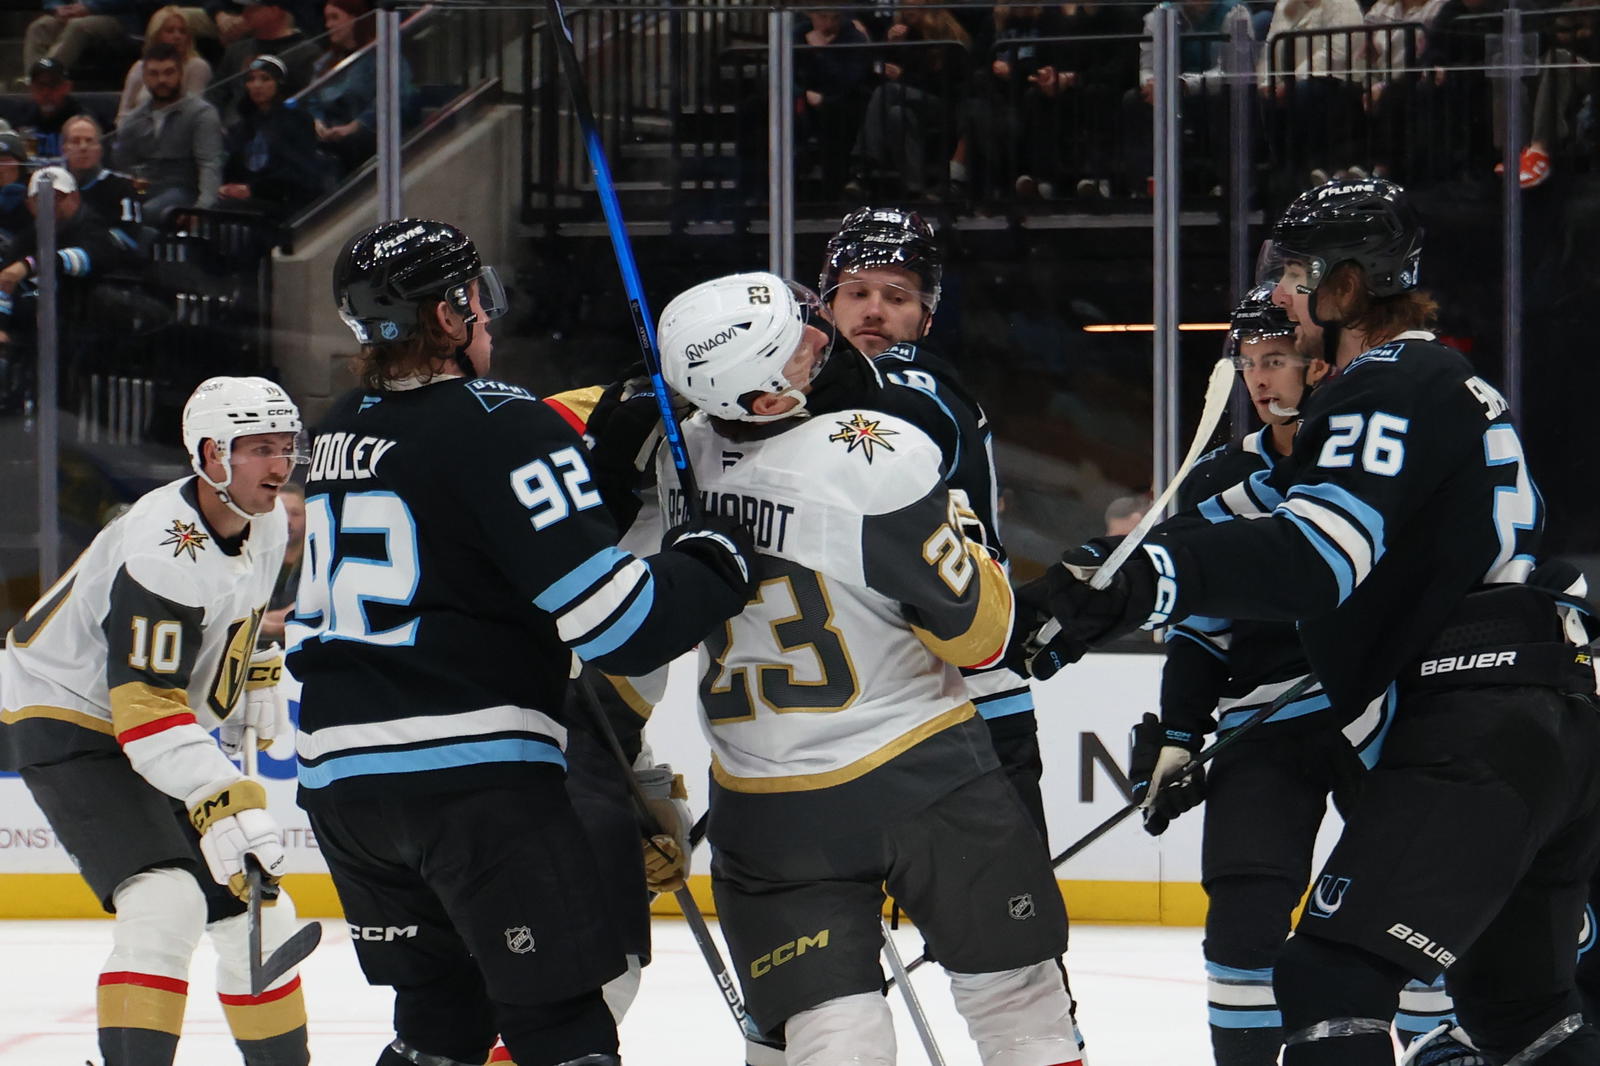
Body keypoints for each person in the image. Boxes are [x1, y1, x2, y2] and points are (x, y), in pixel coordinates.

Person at [1021, 177, 1600, 1065]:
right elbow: (1253, 505)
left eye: (1296, 275)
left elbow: (1314, 556)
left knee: (1330, 979)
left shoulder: (1386, 379)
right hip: (1543, 710)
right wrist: (1108, 569)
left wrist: (1145, 584)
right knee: (1521, 1009)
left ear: (1348, 287)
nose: (1281, 296)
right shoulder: (1431, 382)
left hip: (1478, 724)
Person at [287, 218, 758, 1066]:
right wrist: (715, 557)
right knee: (564, 1029)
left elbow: (472, 554)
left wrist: (601, 480)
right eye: (477, 297)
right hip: (472, 788)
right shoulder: (503, 421)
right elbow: (618, 627)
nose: (489, 315)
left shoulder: (339, 427)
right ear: (451, 311)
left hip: (342, 789)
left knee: (441, 1025)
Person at [654, 269, 1083, 1066]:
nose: (823, 339)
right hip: (925, 778)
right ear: (764, 399)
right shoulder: (876, 453)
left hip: (768, 806)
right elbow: (983, 639)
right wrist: (966, 537)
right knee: (1021, 1007)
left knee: (831, 1033)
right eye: (796, 348)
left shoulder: (680, 461)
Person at [1140, 283, 1463, 1065]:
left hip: (1381, 708)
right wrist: (1180, 737)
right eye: (1248, 361)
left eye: (1277, 357)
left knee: (1419, 921)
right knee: (1242, 927)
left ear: (1318, 365)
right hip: (1267, 726)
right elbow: (1201, 635)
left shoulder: (1376, 455)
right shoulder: (1221, 478)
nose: (1259, 377)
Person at [0, 375, 311, 1066]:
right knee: (165, 903)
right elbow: (143, 707)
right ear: (211, 454)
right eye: (259, 448)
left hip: (153, 727)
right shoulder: (162, 548)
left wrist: (257, 660)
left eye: (286, 447)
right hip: (69, 714)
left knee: (259, 918)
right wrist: (226, 796)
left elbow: (239, 612)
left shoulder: (260, 523)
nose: (280, 465)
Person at [0, 166, 141, 351]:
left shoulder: (93, 229)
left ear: (75, 198)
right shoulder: (26, 239)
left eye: (58, 197)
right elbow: (5, 282)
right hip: (29, 333)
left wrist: (28, 266)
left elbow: (85, 257)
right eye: (41, 198)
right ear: (29, 205)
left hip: (82, 328)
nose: (50, 204)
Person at [299, 0, 417, 175]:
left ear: (354, 18)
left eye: (334, 18)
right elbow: (312, 101)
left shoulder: (381, 56)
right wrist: (318, 122)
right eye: (326, 19)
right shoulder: (324, 63)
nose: (328, 25)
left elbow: (395, 97)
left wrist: (356, 125)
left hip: (368, 136)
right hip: (330, 135)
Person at [114, 41, 226, 216]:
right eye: (154, 74)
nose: (162, 80)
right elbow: (121, 165)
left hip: (185, 191)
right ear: (144, 77)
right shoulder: (134, 119)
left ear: (181, 74)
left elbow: (209, 164)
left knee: (146, 212)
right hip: (145, 188)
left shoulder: (201, 113)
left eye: (169, 72)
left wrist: (203, 209)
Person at [219, 54, 328, 219]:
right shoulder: (242, 127)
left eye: (265, 79)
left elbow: (299, 171)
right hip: (249, 199)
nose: (257, 85)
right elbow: (233, 167)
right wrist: (227, 187)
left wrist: (254, 189)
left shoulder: (297, 119)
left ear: (279, 83)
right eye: (251, 80)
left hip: (284, 201)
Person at [212, 0, 319, 114]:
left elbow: (309, 103)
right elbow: (214, 95)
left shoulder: (306, 54)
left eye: (252, 9)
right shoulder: (236, 50)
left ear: (274, 11)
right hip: (231, 126)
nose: (244, 14)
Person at [117, 5, 215, 126]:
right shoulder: (139, 66)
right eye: (170, 31)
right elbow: (123, 114)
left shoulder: (197, 66)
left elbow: (193, 112)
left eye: (182, 31)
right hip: (137, 135)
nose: (177, 36)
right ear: (156, 35)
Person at [61, 113, 144, 234]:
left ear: (100, 149)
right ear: (64, 149)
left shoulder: (122, 187)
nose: (83, 147)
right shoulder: (54, 187)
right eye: (75, 141)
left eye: (89, 141)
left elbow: (129, 237)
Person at [22, 1, 141, 78]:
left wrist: (91, 7)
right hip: (74, 12)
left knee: (78, 26)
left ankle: (47, 79)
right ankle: (32, 80)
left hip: (116, 17)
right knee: (40, 26)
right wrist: (57, 7)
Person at [7, 58, 90, 163]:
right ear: (31, 88)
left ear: (67, 87)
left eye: (53, 86)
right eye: (40, 86)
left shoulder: (82, 120)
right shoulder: (20, 118)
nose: (46, 92)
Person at [258, 478, 305, 645]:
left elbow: (298, 617)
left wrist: (257, 623)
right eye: (281, 512)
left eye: (295, 513)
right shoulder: (253, 559)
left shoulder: (318, 564)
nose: (287, 520)